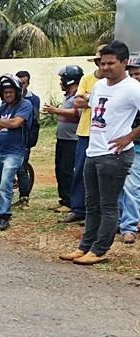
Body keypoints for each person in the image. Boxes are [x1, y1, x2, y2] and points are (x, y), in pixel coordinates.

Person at [60, 41, 140, 265]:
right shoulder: (100, 86)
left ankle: (100, 249)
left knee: (108, 204)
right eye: (103, 63)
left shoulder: (133, 88)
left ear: (125, 63)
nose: (105, 68)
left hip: (115, 154)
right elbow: (94, 109)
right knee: (91, 203)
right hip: (93, 151)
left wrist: (128, 137)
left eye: (111, 63)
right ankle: (85, 246)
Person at [62, 47, 104, 224]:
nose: (102, 65)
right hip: (85, 131)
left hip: (104, 134)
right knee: (80, 170)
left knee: (101, 174)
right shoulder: (87, 78)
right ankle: (78, 208)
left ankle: (97, 213)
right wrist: (97, 98)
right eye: (100, 61)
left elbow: (84, 100)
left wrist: (89, 97)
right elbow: (77, 102)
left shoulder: (115, 81)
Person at [0, 73, 35, 231]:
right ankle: (0, 210)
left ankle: (4, 215)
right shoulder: (2, 107)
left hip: (14, 151)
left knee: (6, 183)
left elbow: (17, 123)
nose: (8, 95)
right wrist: (4, 123)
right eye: (5, 92)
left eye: (10, 92)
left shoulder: (25, 105)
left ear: (17, 91)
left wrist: (1, 122)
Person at [43, 65, 84, 212]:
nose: (61, 82)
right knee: (60, 169)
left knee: (68, 170)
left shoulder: (78, 97)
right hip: (62, 139)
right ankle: (63, 199)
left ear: (69, 80)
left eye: (62, 79)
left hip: (72, 140)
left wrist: (55, 110)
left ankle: (70, 202)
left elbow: (77, 113)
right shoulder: (67, 96)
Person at [118, 55, 140, 244]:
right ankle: (129, 226)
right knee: (130, 187)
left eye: (139, 73)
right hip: (132, 147)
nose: (136, 77)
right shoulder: (126, 93)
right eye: (132, 74)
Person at [14, 71, 41, 208]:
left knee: (21, 167)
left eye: (23, 83)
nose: (21, 86)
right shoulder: (10, 97)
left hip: (25, 138)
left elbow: (33, 120)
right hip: (11, 138)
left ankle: (24, 197)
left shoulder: (33, 99)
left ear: (28, 83)